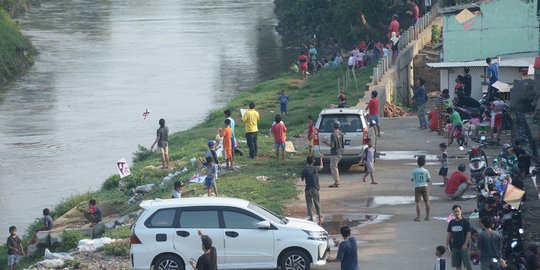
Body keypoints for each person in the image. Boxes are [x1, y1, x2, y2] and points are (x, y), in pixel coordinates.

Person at [446, 205, 473, 270]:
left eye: (458, 211)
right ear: (453, 212)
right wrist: (446, 244)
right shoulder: (451, 222)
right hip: (455, 247)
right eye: (455, 212)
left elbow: (468, 233)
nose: (456, 213)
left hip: (464, 247)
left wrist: (465, 244)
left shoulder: (465, 222)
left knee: (468, 265)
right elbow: (449, 234)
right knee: (457, 266)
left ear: (461, 211)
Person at [301, 155, 323, 223]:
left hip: (308, 190)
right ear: (313, 162)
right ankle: (319, 217)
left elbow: (302, 179)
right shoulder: (315, 168)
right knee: (317, 204)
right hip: (315, 189)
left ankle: (310, 219)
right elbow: (321, 166)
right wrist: (321, 158)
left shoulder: (304, 170)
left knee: (309, 205)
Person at [322, 121, 344, 188]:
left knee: (334, 168)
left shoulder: (333, 134)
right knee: (335, 167)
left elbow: (332, 146)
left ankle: (336, 182)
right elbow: (342, 143)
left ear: (333, 127)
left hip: (334, 153)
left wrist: (325, 142)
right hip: (340, 152)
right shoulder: (341, 133)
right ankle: (336, 182)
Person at [411, 155, 431, 221]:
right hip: (425, 186)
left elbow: (412, 179)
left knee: (418, 202)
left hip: (417, 187)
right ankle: (427, 216)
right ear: (424, 163)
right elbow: (429, 180)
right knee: (427, 201)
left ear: (417, 163)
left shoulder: (414, 170)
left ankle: (418, 217)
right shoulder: (426, 171)